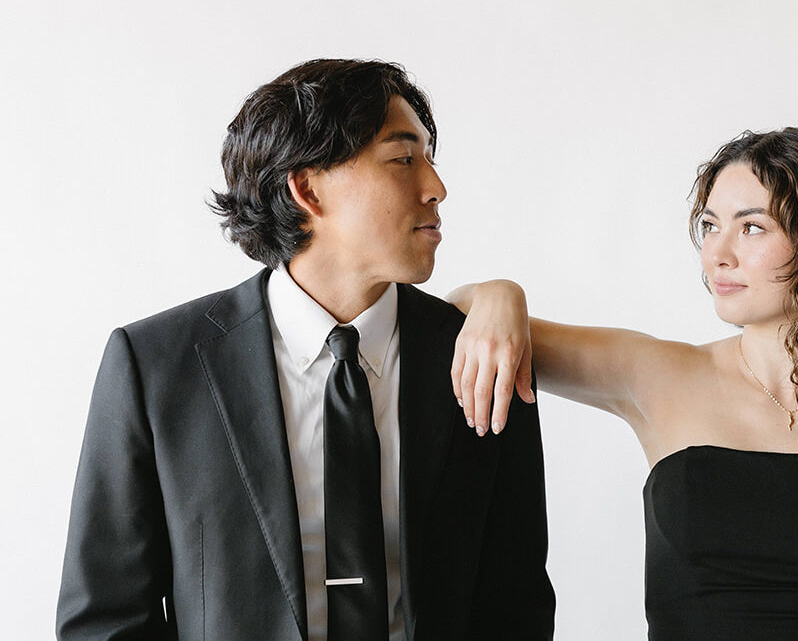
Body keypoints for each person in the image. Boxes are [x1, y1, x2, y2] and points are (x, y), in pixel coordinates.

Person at [57, 58, 554, 641]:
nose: (436, 189)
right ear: (307, 188)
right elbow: (105, 620)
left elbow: (516, 609)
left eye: (430, 159)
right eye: (403, 160)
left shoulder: (480, 355)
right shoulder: (156, 366)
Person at [449, 128, 798, 639]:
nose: (718, 253)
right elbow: (454, 314)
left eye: (752, 228)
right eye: (709, 225)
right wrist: (500, 293)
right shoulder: (658, 375)